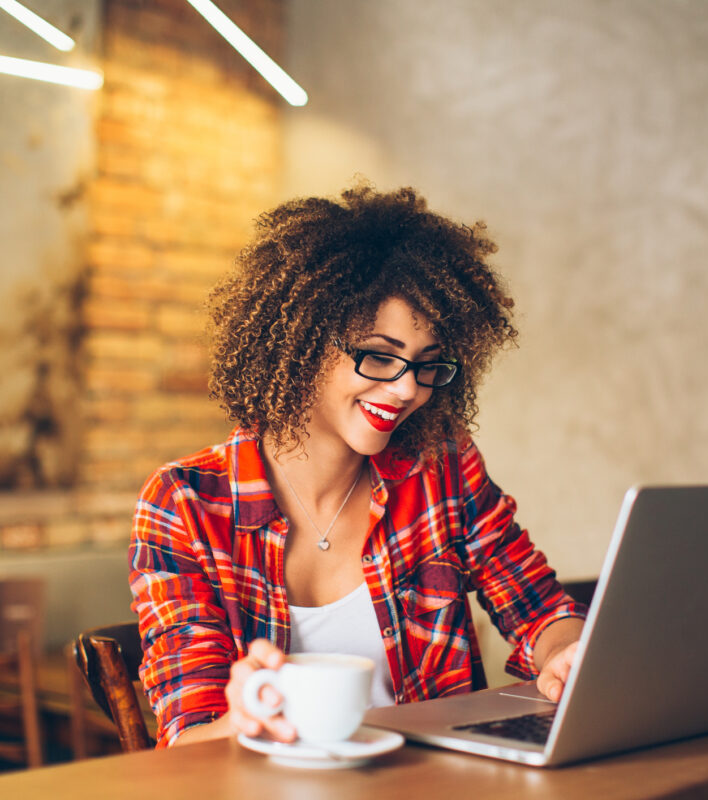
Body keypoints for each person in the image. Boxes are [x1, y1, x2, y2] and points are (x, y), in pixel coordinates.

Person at [129, 184, 587, 749]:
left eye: (426, 365)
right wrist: (246, 719)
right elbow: (189, 739)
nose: (405, 390)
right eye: (379, 355)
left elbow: (540, 610)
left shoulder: (441, 468)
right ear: (301, 341)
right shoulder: (186, 504)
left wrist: (568, 653)